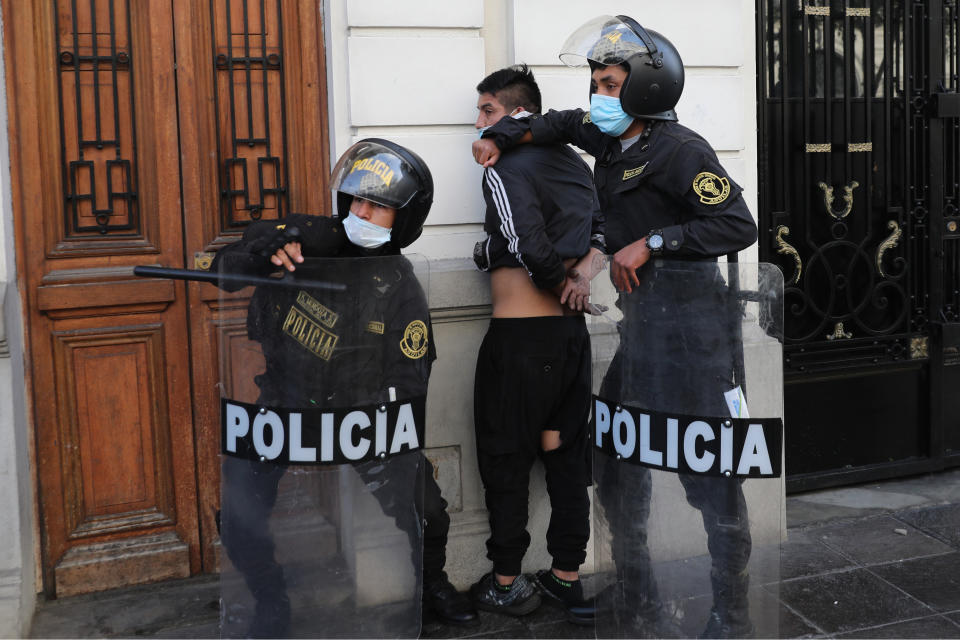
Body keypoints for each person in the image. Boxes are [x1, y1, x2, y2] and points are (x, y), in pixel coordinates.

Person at [472, 17, 759, 639]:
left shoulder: (682, 152)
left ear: (646, 89)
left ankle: (728, 612)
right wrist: (502, 136)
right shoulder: (605, 140)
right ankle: (638, 586)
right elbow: (551, 121)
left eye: (609, 83)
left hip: (696, 336)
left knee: (707, 476)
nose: (599, 95)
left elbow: (738, 226)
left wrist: (654, 241)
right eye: (597, 82)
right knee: (617, 460)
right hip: (643, 329)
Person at [211, 139, 477, 636]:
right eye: (356, 200)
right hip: (284, 407)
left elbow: (411, 375)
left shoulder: (399, 282)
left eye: (377, 206)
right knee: (239, 508)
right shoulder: (303, 240)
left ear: (404, 217)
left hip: (361, 416)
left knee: (429, 509)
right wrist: (261, 251)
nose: (362, 212)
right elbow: (222, 273)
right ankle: (270, 597)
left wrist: (383, 426)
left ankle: (432, 585)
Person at [468, 64, 600, 625]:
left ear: (517, 113)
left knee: (507, 457)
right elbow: (602, 232)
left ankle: (505, 582)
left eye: (487, 111)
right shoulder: (576, 164)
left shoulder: (505, 164)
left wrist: (556, 282)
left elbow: (527, 243)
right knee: (565, 455)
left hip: (521, 341)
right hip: (570, 340)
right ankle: (566, 575)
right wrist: (581, 278)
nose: (479, 125)